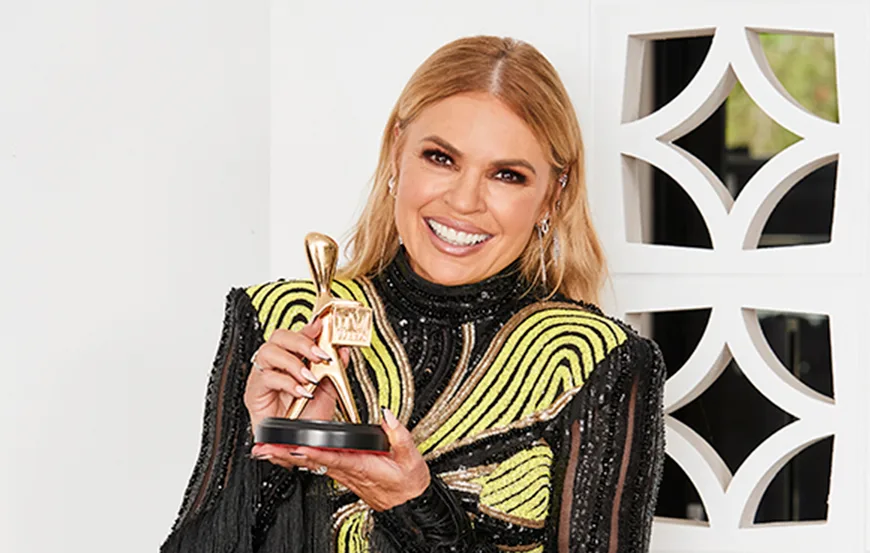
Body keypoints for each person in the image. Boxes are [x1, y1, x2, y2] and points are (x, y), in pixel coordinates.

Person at [161, 35, 666, 553]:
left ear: (552, 196)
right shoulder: (279, 321)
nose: (465, 201)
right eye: (441, 158)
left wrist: (413, 506)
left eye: (507, 175)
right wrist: (266, 446)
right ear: (397, 150)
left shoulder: (592, 360)